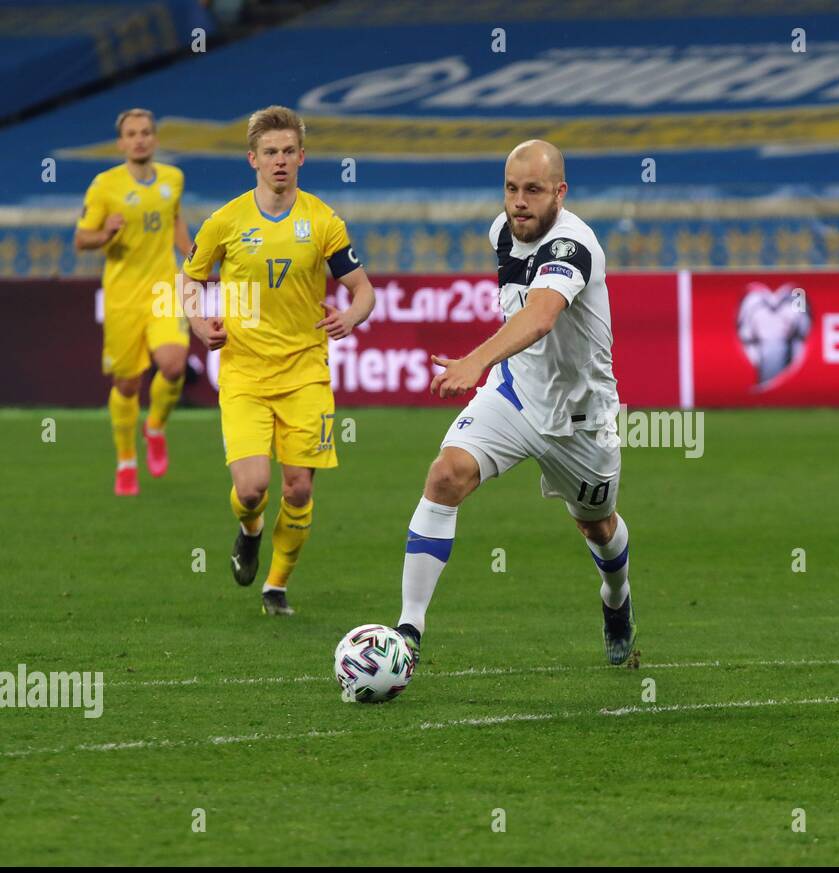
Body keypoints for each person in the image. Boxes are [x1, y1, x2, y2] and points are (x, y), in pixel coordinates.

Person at [394, 140, 634, 668]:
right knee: (446, 475)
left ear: (559, 192)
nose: (519, 202)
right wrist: (492, 369)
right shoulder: (502, 232)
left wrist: (474, 359)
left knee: (597, 525)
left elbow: (541, 316)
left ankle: (616, 602)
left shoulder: (574, 244)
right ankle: (408, 632)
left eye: (533, 190)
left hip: (581, 421)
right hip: (514, 395)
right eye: (510, 189)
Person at [182, 105, 375, 616]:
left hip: (306, 371)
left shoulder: (322, 220)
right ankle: (249, 530)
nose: (280, 161)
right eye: (271, 152)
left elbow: (362, 291)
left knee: (298, 485)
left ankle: (275, 586)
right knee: (252, 489)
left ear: (302, 156)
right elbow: (191, 279)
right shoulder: (226, 220)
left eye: (289, 151)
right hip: (244, 371)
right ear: (253, 159)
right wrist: (199, 324)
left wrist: (351, 317)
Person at [74, 108, 191, 495]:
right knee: (127, 384)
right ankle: (126, 461)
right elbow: (82, 240)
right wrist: (105, 232)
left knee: (173, 365)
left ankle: (154, 427)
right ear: (121, 142)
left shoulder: (173, 179)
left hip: (162, 289)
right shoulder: (104, 186)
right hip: (123, 297)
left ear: (155, 139)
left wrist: (191, 255)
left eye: (145, 132)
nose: (139, 139)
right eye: (131, 133)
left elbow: (174, 219)